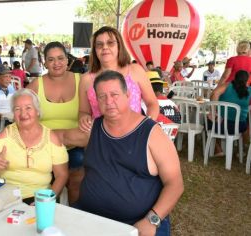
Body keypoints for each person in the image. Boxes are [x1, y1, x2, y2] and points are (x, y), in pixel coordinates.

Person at [74, 70, 184, 235]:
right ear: (96, 100)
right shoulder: (94, 128)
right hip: (91, 219)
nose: (109, 101)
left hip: (137, 224)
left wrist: (152, 220)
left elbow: (175, 184)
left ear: (128, 95)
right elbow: (62, 136)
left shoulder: (151, 133)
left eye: (114, 94)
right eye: (102, 96)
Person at [0, 88, 69, 204]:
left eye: (28, 108)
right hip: (6, 198)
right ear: (13, 114)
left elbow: (62, 175)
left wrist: (47, 200)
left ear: (37, 111)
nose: (23, 114)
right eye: (17, 109)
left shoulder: (52, 138)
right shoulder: (6, 135)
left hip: (39, 198)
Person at [27, 41, 86, 204]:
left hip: (75, 146)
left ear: (67, 60)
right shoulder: (35, 85)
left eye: (60, 58)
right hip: (45, 148)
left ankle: (74, 215)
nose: (56, 63)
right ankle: (51, 214)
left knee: (76, 179)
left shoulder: (81, 80)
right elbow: (23, 117)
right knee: (47, 183)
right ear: (44, 62)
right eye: (51, 59)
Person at [79, 26, 159, 133]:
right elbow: (83, 111)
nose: (105, 47)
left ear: (119, 46)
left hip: (135, 136)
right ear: (94, 49)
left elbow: (152, 103)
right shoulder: (86, 79)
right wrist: (83, 118)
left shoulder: (135, 71)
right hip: (101, 138)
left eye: (110, 43)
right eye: (99, 44)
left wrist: (146, 127)